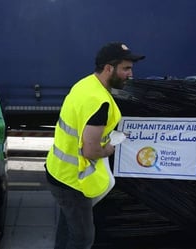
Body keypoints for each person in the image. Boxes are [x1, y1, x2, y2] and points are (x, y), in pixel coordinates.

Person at [44, 42, 145, 249]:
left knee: (67, 226)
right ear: (109, 68)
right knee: (82, 238)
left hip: (58, 171)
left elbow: (83, 128)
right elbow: (90, 150)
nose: (130, 74)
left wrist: (108, 134)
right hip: (73, 182)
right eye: (126, 68)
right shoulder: (100, 102)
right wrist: (109, 148)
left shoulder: (85, 84)